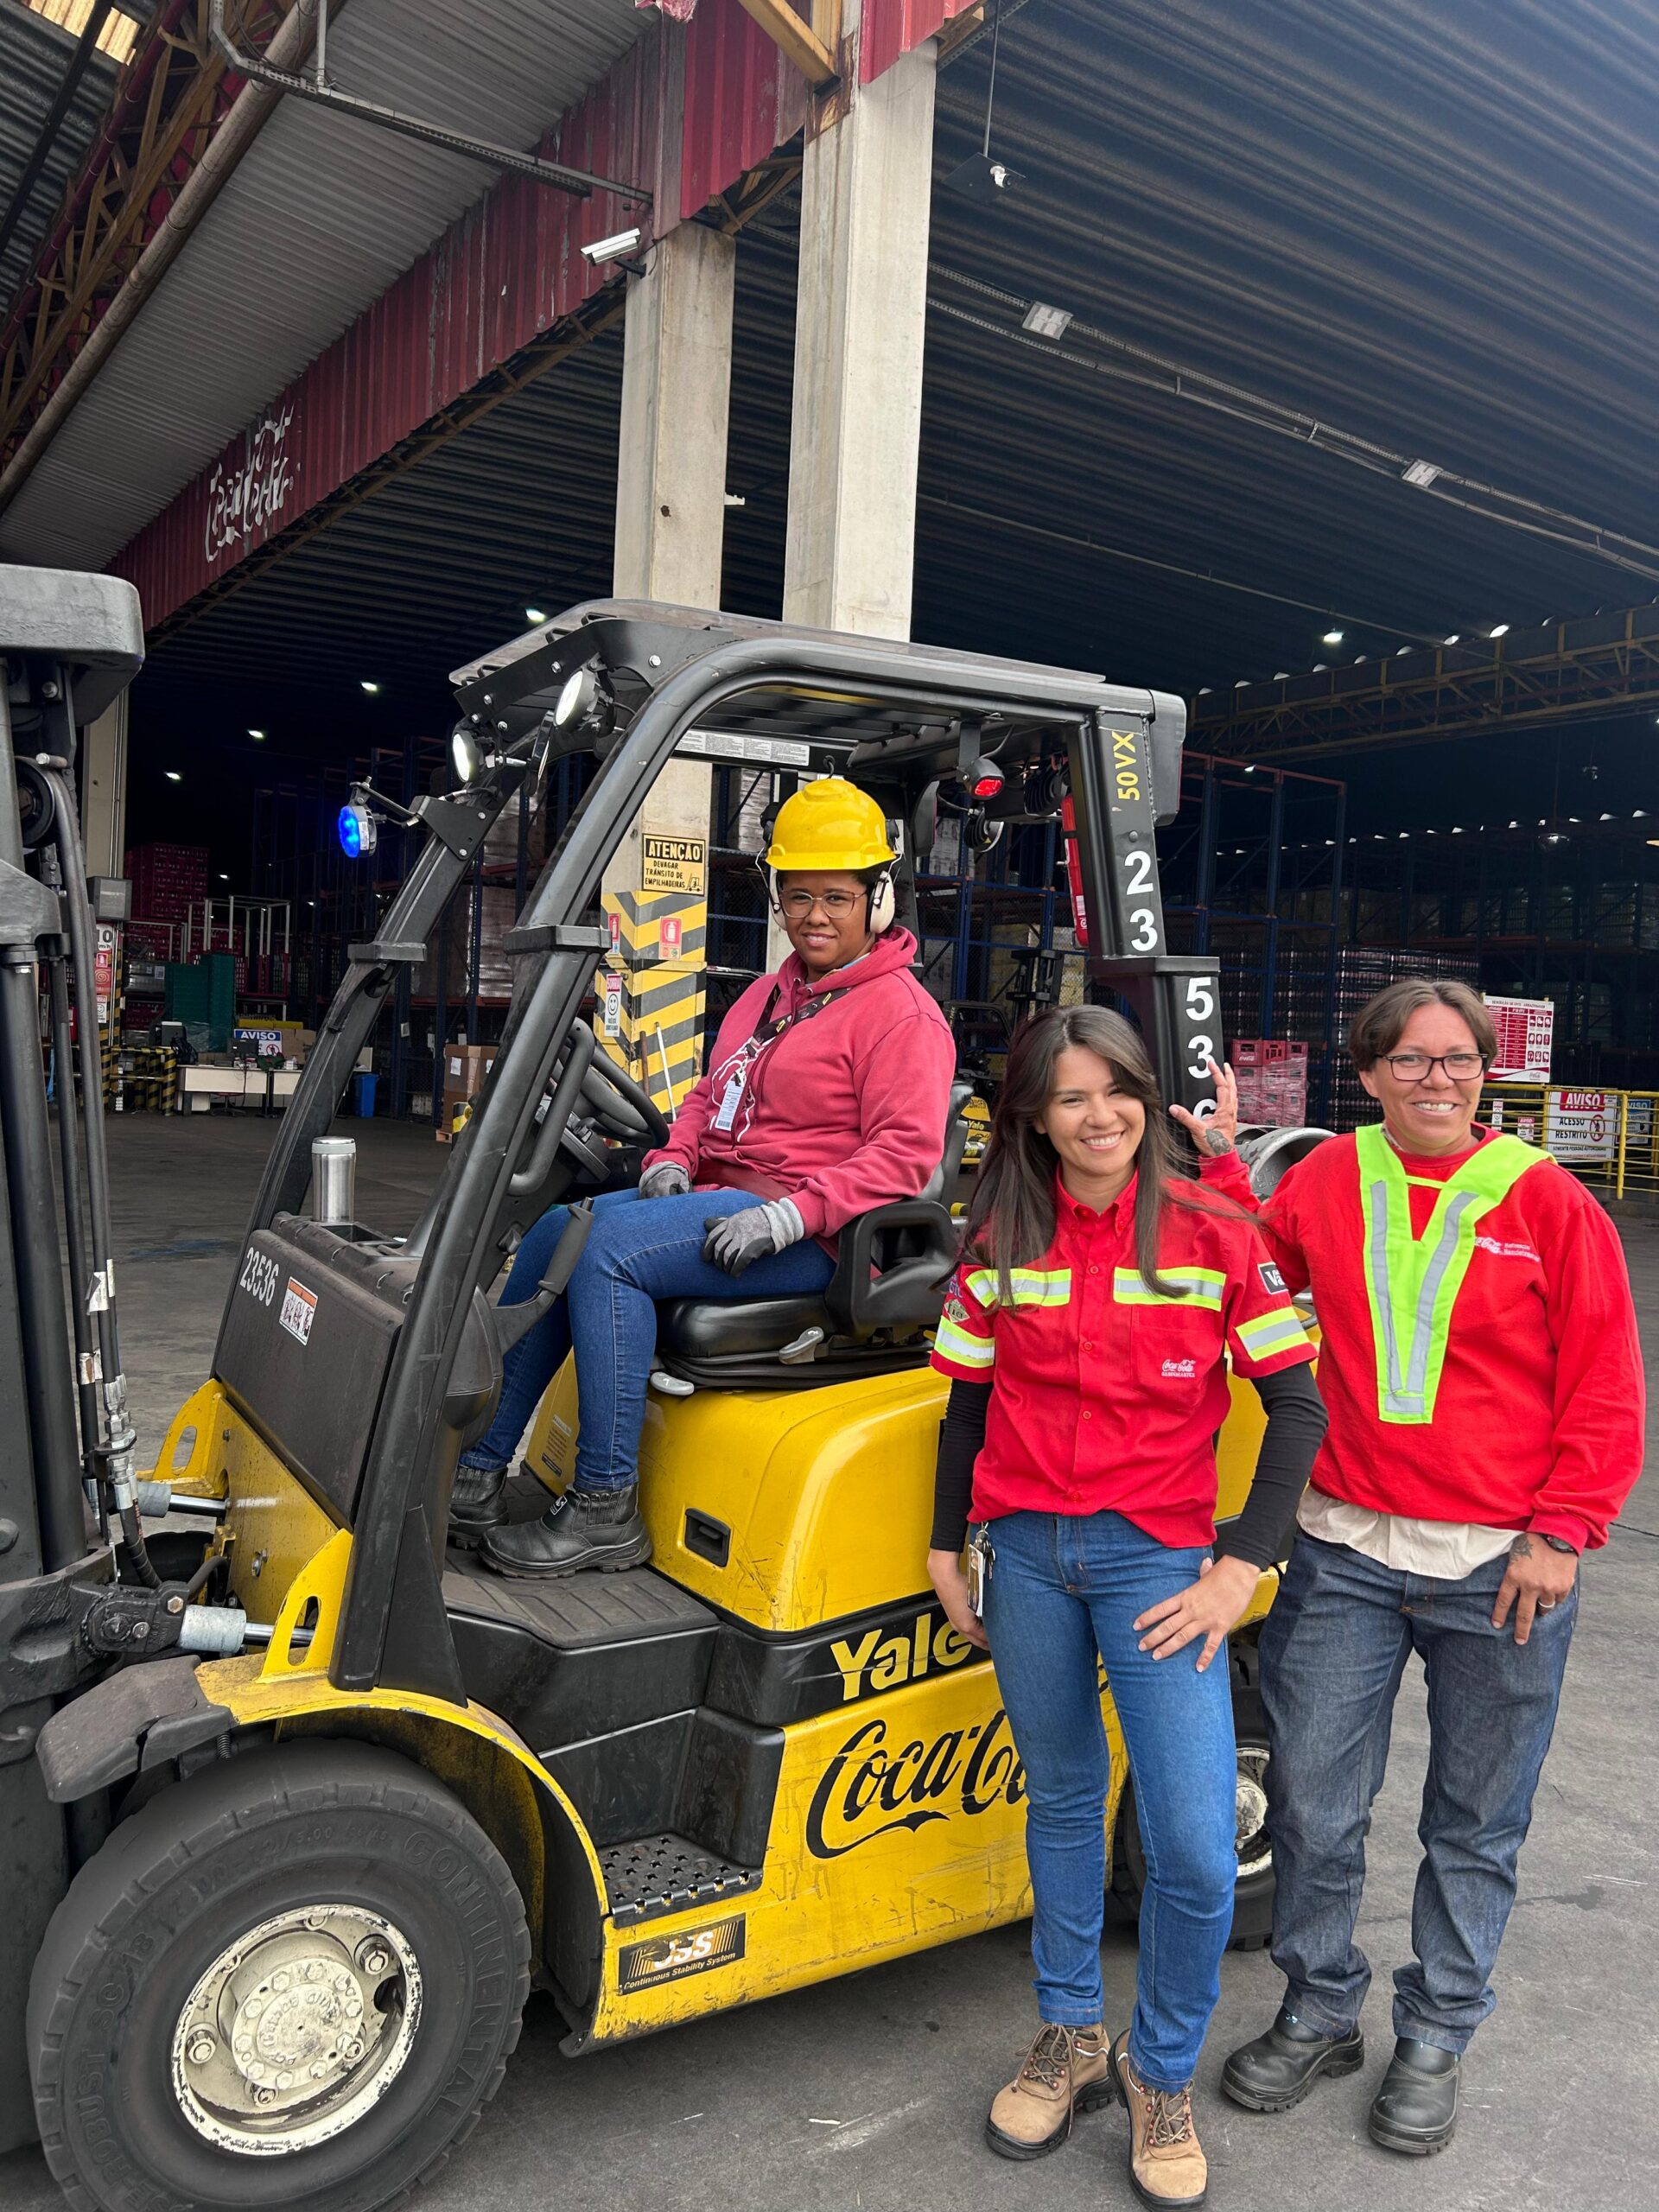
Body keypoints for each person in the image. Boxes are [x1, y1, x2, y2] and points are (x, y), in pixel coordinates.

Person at [1175, 981, 1645, 2158]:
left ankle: (1435, 2030)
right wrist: (1228, 1169)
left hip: (1503, 1568)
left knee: (1475, 1820)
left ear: (1487, 1074)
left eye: (1459, 1060)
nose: (1437, 1079)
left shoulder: (1548, 1204)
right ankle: (1324, 2005)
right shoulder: (1329, 1178)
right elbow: (1255, 1276)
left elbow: (1603, 1380)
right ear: (1370, 1075)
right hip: (1344, 1551)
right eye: (1411, 1061)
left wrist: (1564, 1529)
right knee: (1315, 1804)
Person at [927, 1006, 1326, 2208]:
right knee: (1058, 1804)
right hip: (1030, 1557)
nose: (1098, 1116)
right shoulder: (1002, 1227)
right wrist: (949, 1549)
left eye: (1116, 1092)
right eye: (1069, 1096)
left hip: (1161, 1566)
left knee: (1197, 1849)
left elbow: (1297, 1412)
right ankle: (1069, 2035)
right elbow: (964, 1408)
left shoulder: (1216, 1229)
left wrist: (1236, 1569)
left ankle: (1161, 2074)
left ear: (1144, 1098)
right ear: (1035, 1117)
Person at [454, 777, 957, 1576]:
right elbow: (706, 1094)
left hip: (809, 1235)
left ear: (877, 897)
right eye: (797, 897)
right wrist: (671, 1158)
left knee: (607, 1251)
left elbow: (904, 1157)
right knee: (555, 1228)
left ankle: (603, 1507)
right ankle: (477, 1471)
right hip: (723, 1201)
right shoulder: (769, 994)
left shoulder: (901, 1016)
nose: (815, 916)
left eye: (836, 896)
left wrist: (789, 1217)